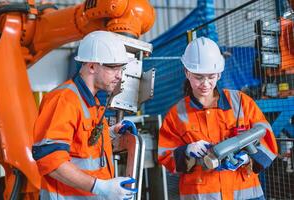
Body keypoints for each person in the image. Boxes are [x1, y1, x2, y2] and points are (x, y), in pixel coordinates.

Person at [158, 37, 278, 200]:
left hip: (246, 194)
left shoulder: (242, 102)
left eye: (211, 77)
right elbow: (165, 155)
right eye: (198, 77)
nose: (205, 83)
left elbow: (267, 138)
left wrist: (247, 158)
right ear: (187, 72)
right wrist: (186, 151)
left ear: (219, 74)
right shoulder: (176, 114)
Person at [32, 31, 138, 200]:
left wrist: (109, 134)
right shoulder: (63, 100)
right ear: (91, 66)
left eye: (121, 68)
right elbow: (50, 160)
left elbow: (83, 148)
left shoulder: (92, 103)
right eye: (113, 68)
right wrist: (100, 187)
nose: (120, 75)